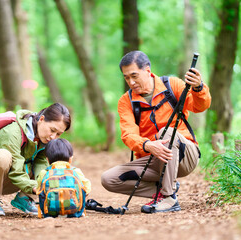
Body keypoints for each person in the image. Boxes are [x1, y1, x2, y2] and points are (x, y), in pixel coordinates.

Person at [101, 51, 211, 213]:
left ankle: (168, 197)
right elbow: (128, 135)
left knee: (166, 133)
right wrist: (147, 145)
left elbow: (200, 106)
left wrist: (198, 87)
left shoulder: (172, 85)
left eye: (134, 75)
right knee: (109, 179)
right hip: (153, 159)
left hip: (185, 155)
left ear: (147, 70)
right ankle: (166, 187)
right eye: (126, 78)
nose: (131, 82)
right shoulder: (126, 101)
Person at [0, 103, 71, 216]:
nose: (53, 137)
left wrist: (46, 183)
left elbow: (41, 162)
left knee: (46, 166)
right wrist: (33, 186)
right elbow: (15, 169)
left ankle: (24, 199)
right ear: (41, 119)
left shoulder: (43, 138)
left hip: (9, 181)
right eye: (52, 130)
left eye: (58, 134)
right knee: (3, 156)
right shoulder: (14, 132)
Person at [36, 138, 91, 217]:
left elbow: (38, 190)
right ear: (70, 158)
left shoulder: (44, 173)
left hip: (50, 213)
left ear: (47, 159)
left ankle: (49, 212)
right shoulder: (76, 171)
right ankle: (78, 212)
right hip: (75, 211)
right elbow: (87, 188)